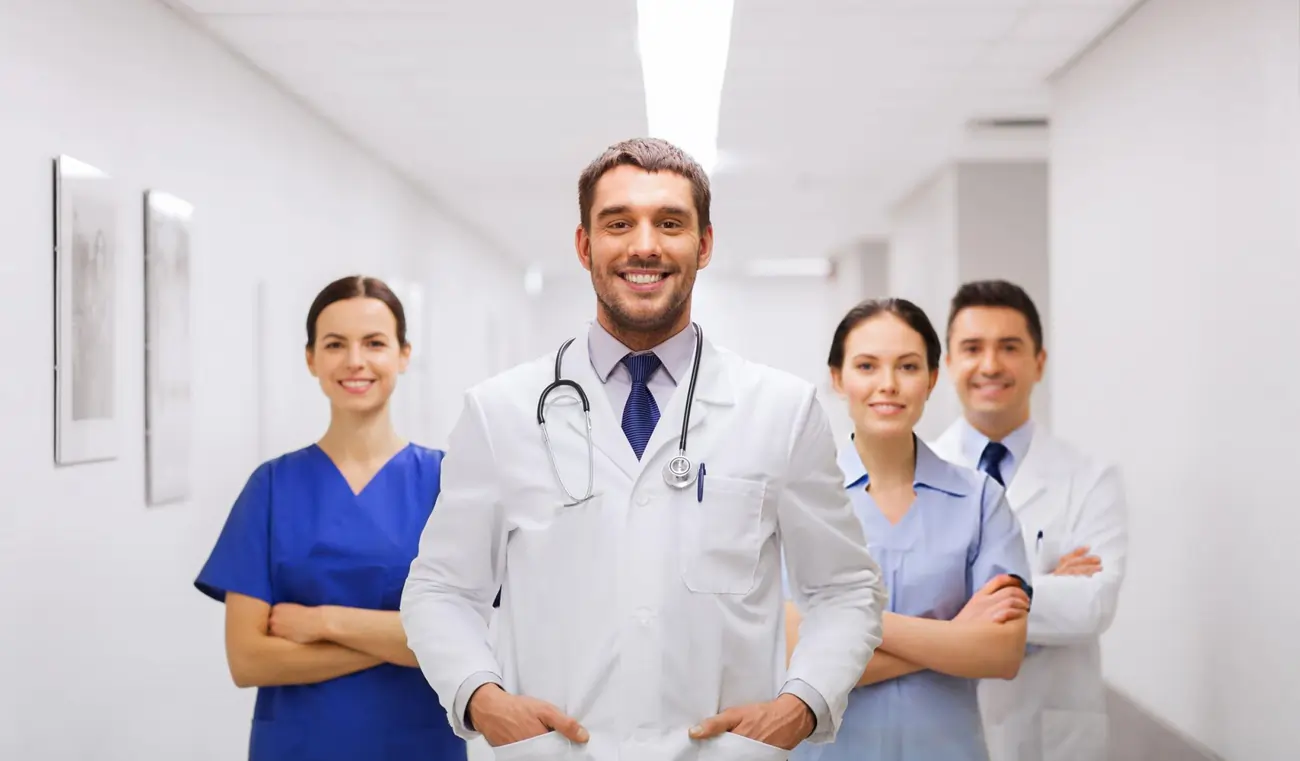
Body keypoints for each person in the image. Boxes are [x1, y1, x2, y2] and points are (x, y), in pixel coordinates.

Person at [400, 137, 887, 761]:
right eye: (619, 223)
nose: (645, 245)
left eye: (670, 223)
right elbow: (441, 589)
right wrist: (482, 699)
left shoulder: (781, 410)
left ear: (704, 244)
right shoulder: (502, 411)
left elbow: (845, 589)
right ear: (584, 246)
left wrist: (800, 706)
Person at [194, 275, 466, 761]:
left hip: (416, 744)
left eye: (375, 343)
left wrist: (323, 621)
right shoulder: (272, 488)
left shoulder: (450, 484)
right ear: (311, 359)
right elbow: (248, 659)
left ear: (404, 355)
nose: (355, 361)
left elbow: (470, 639)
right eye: (335, 344)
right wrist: (406, 643)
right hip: (298, 746)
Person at [783, 298, 1033, 761]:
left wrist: (838, 625)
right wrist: (955, 636)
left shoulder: (980, 501)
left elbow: (1002, 653)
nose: (888, 385)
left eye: (908, 366)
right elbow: (789, 651)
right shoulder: (797, 496)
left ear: (932, 379)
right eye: (866, 365)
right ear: (837, 378)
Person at [931, 280, 1129, 761]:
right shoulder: (917, 471)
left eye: (1010, 347)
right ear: (950, 363)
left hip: (1050, 731)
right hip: (941, 725)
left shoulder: (1089, 477)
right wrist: (1039, 587)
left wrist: (962, 601)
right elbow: (895, 607)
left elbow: (1092, 606)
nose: (991, 365)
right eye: (973, 348)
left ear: (1039, 362)